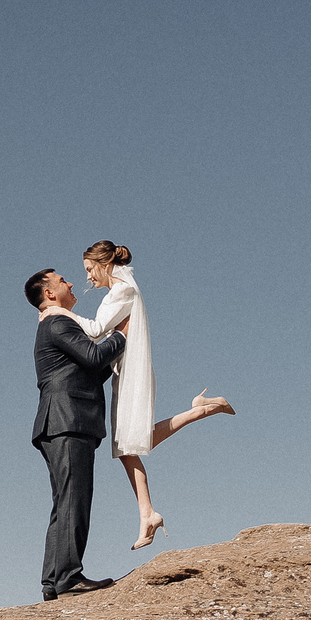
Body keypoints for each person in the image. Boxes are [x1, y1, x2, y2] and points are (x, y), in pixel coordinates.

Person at [63, 241, 234, 549]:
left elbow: (96, 329)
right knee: (132, 444)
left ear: (104, 264)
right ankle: (201, 411)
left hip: (132, 375)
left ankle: (148, 513)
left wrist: (57, 313)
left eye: (90, 269)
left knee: (128, 445)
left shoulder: (123, 291)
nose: (88, 278)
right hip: (124, 373)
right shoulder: (119, 291)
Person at [25, 267, 126, 600]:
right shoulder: (58, 322)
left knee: (65, 501)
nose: (70, 283)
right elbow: (95, 356)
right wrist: (124, 335)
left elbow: (87, 370)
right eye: (62, 280)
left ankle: (53, 580)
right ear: (50, 293)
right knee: (74, 499)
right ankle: (68, 577)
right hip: (67, 420)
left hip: (59, 421)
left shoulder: (51, 326)